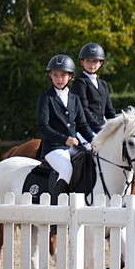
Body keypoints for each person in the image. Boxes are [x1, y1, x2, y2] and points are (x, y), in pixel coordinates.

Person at [37, 54, 95, 199]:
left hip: (74, 147)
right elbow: (43, 127)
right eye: (55, 75)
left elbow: (82, 124)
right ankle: (56, 207)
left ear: (70, 77)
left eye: (63, 75)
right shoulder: (46, 98)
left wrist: (95, 139)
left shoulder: (74, 98)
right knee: (67, 169)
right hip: (54, 148)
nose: (59, 79)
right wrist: (65, 140)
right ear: (50, 76)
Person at [70, 42, 116, 133]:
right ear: (82, 62)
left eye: (95, 61)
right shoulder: (80, 82)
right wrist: (97, 129)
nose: (92, 65)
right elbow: (83, 109)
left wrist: (116, 126)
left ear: (101, 63)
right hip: (85, 128)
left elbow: (109, 111)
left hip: (103, 126)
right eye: (88, 61)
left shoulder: (103, 84)